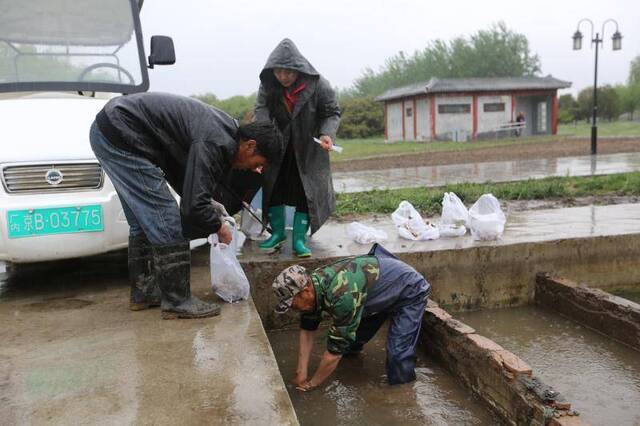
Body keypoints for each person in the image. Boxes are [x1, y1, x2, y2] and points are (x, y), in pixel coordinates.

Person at [90, 92, 282, 319]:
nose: (254, 169)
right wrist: (218, 226)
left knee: (144, 222)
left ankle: (145, 294)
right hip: (123, 133)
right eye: (257, 164)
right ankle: (177, 301)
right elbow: (192, 207)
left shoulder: (225, 134)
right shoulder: (214, 141)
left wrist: (211, 206)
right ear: (250, 145)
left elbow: (187, 178)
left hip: (113, 129)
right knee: (167, 221)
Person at [272, 244, 431, 389]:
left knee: (397, 354)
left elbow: (334, 354)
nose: (293, 309)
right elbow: (307, 330)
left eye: (293, 304)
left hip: (409, 289)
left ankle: (403, 392)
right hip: (376, 293)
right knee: (349, 345)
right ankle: (355, 358)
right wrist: (301, 372)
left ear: (305, 291)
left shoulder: (342, 296)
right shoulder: (313, 287)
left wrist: (311, 384)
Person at [254, 38, 341, 258]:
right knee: (274, 189)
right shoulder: (268, 85)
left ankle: (300, 239)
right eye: (279, 72)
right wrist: (264, 137)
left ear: (299, 70)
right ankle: (278, 234)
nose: (283, 77)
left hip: (308, 150)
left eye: (289, 72)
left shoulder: (319, 84)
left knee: (306, 193)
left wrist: (326, 134)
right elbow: (261, 111)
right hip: (278, 148)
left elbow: (331, 112)